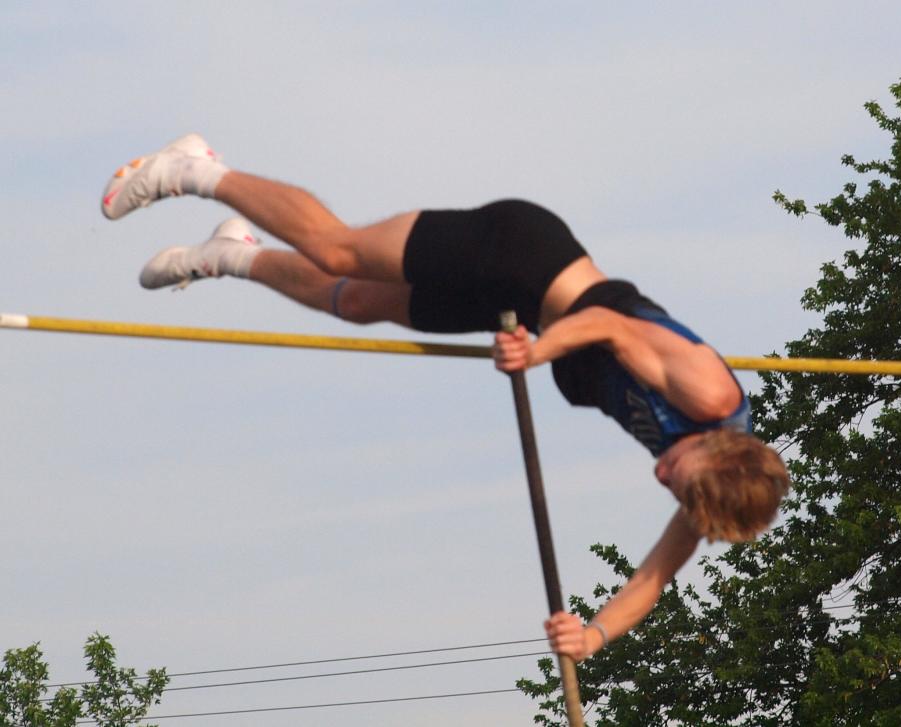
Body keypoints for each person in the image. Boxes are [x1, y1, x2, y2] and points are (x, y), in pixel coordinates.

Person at [101, 133, 790, 661]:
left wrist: (595, 634)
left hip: (518, 308)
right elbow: (610, 324)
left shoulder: (713, 493)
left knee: (356, 302)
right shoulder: (707, 390)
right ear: (719, 447)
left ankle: (228, 255)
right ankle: (194, 169)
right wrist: (540, 350)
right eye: (680, 478)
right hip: (521, 255)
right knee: (339, 251)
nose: (663, 478)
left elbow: (654, 578)